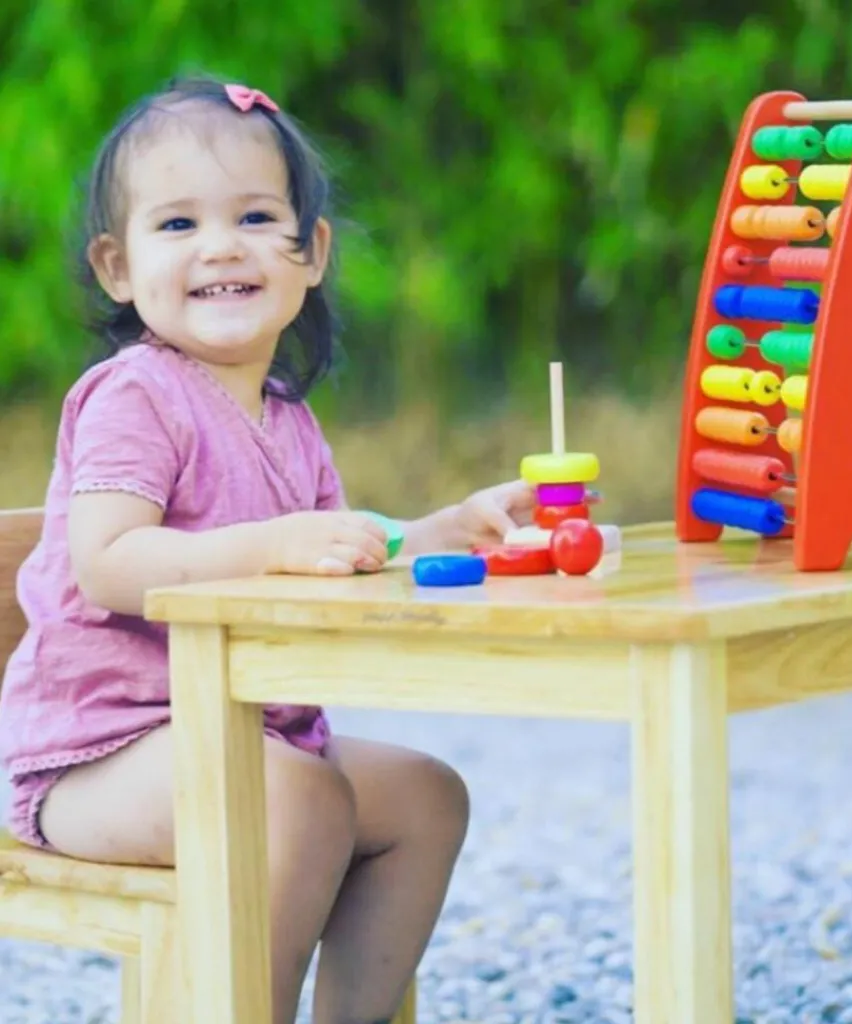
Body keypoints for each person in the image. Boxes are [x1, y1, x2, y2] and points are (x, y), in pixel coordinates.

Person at [0, 74, 535, 1024]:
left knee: (425, 799)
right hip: (99, 756)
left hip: (253, 741)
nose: (220, 246)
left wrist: (439, 532)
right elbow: (109, 560)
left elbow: (336, 553)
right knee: (299, 801)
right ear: (118, 268)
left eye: (254, 215)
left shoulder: (287, 420)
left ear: (311, 253)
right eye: (176, 226)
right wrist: (278, 542)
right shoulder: (134, 396)